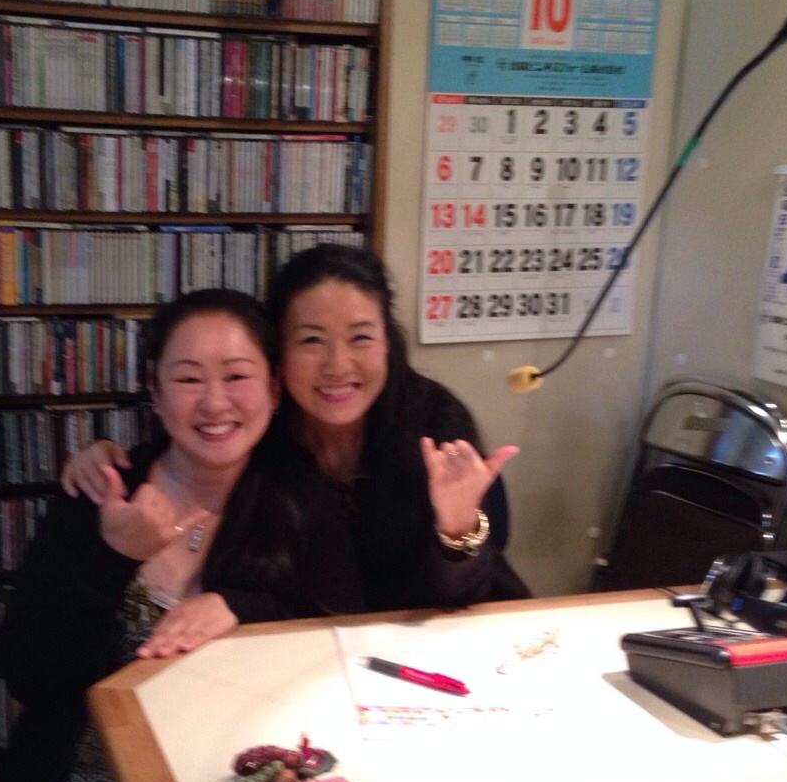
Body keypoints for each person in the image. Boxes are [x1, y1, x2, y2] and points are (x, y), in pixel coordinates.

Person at [0, 288, 362, 782]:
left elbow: (342, 628)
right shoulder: (100, 494)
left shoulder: (299, 499)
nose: (214, 402)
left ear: (274, 389)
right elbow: (29, 670)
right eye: (188, 379)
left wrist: (240, 606)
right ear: (155, 394)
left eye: (236, 376)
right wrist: (112, 559)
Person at [61, 243, 531, 610]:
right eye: (311, 340)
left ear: (388, 341)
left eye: (361, 337)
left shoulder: (433, 427)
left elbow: (463, 601)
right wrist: (103, 457)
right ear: (276, 355)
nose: (337, 365)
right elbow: (189, 438)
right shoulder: (258, 430)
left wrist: (457, 529)